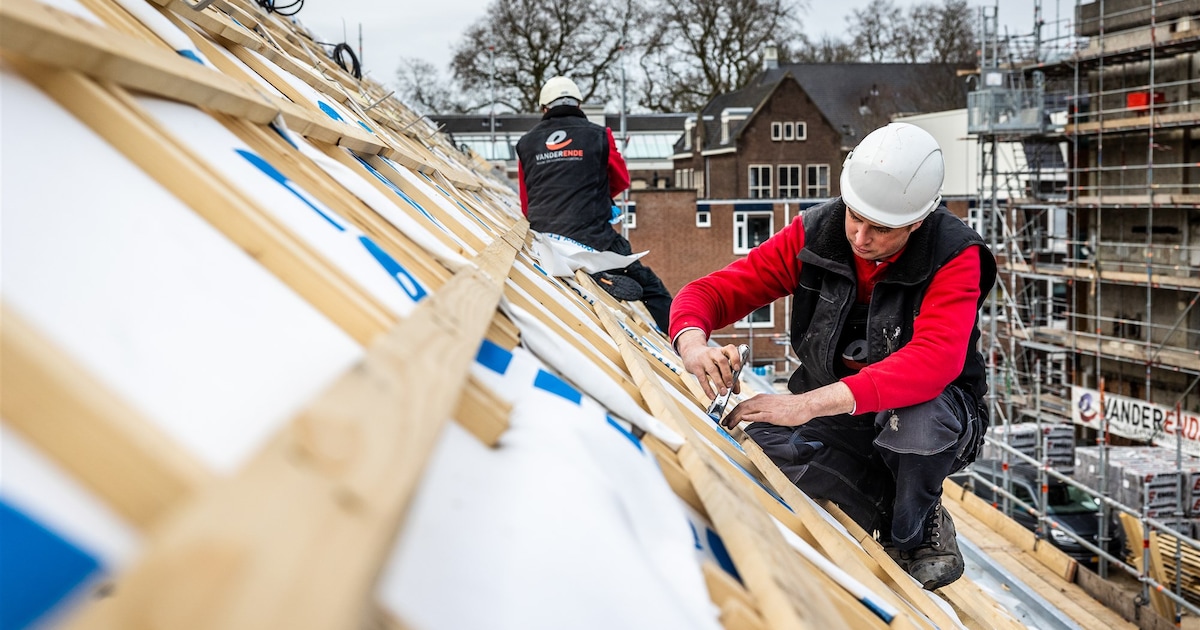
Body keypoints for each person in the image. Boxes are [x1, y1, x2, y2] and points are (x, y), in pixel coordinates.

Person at [669, 122, 996, 591]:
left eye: (881, 229)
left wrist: (804, 404)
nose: (861, 237)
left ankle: (914, 531)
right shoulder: (817, 232)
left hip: (933, 413)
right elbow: (713, 291)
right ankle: (882, 504)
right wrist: (692, 341)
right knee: (759, 444)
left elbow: (933, 362)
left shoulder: (954, 255)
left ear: (917, 222)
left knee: (918, 424)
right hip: (838, 410)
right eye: (854, 216)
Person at [516, 76, 673, 331]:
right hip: (593, 236)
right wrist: (593, 193)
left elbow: (526, 204)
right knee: (651, 288)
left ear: (544, 108)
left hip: (545, 241)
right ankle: (678, 339)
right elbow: (621, 180)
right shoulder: (599, 135)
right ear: (578, 104)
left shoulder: (525, 144)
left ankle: (597, 273)